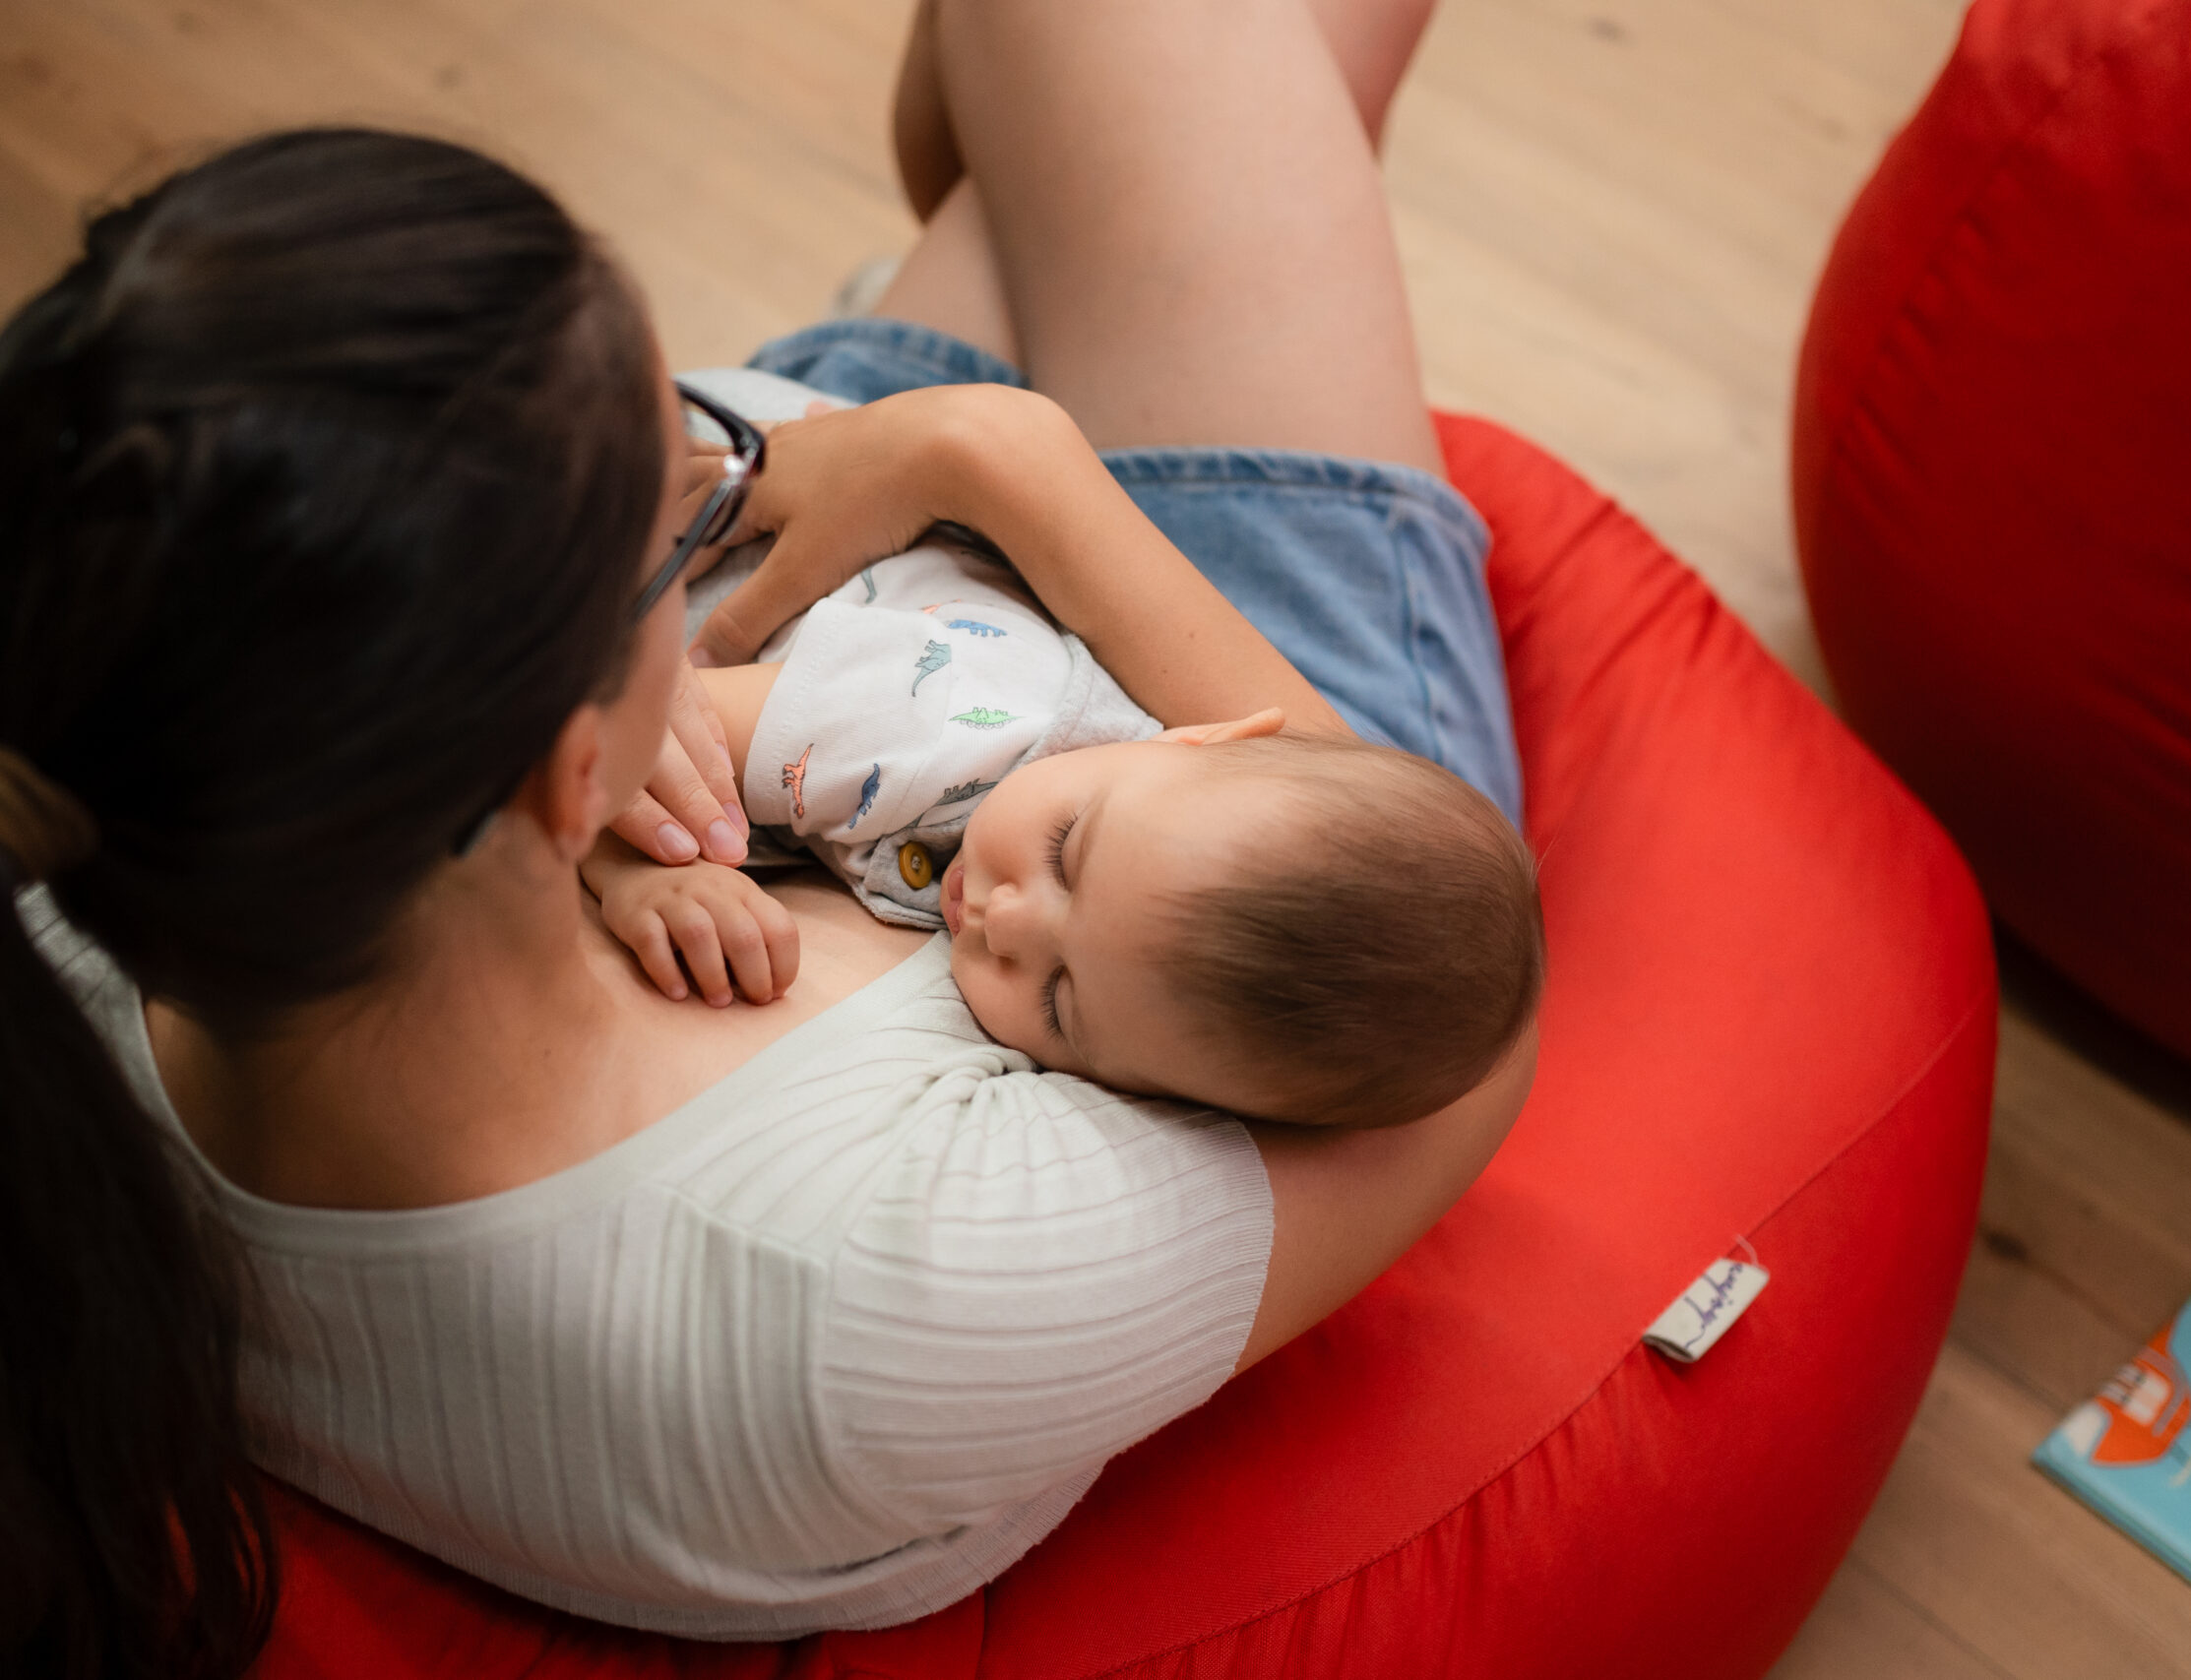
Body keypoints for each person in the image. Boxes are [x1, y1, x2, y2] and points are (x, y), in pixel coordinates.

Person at [0, 0, 1530, 1667]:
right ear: (574, 770)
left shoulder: (105, 830)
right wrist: (1005, 463)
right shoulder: (890, 1282)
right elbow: (1463, 1028)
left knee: (1032, 120)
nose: (706, 483)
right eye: (675, 514)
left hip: (894, 612)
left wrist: (892, 452)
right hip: (1256, 809)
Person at [583, 385, 1540, 1129]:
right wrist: (640, 869)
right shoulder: (943, 730)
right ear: (1206, 731)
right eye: (1066, 851)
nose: (1002, 917)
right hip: (719, 507)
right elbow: (623, 731)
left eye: (1056, 998)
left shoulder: (1145, 895)